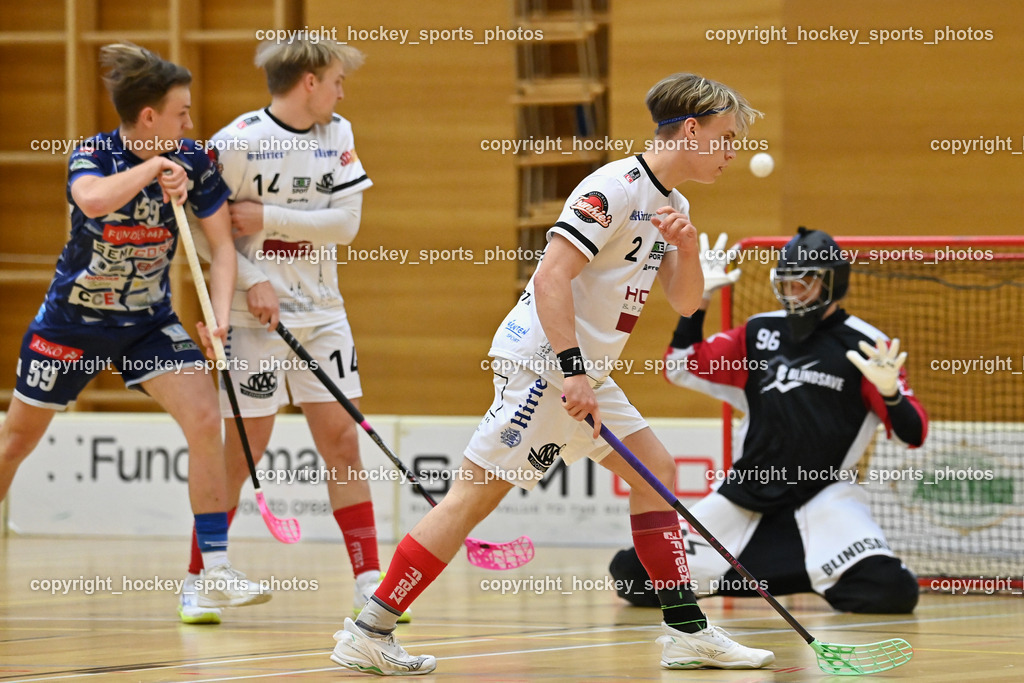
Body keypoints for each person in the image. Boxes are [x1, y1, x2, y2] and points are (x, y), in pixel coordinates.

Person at [330, 73, 775, 675]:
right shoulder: (612, 188)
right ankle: (370, 629)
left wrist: (688, 249)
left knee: (657, 472)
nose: (731, 152)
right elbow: (549, 277)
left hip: (583, 370)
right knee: (470, 499)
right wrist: (571, 372)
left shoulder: (676, 206)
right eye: (725, 137)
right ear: (691, 129)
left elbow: (687, 303)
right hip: (548, 364)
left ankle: (687, 632)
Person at [0, 43, 268, 610]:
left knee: (203, 417)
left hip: (148, 323)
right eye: (183, 113)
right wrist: (152, 169)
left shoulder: (193, 160)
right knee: (13, 444)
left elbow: (222, 250)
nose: (192, 123)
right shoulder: (94, 155)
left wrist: (219, 320)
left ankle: (213, 568)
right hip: (72, 323)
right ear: (150, 118)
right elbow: (92, 202)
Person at [177, 38, 404, 625]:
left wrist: (270, 216)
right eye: (335, 80)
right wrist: (251, 277)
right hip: (254, 321)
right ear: (308, 81)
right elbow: (207, 231)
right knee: (242, 453)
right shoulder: (235, 143)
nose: (340, 91)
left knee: (342, 444)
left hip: (324, 313)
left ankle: (369, 581)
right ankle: (200, 580)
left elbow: (346, 225)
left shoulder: (339, 134)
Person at [609, 227, 926, 614]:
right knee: (633, 576)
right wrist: (698, 300)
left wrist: (891, 394)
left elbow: (914, 434)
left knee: (892, 591)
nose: (794, 294)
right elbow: (680, 366)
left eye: (805, 285)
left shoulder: (867, 345)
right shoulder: (760, 331)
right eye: (788, 285)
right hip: (745, 497)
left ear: (832, 283)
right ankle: (793, 577)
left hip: (823, 498)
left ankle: (769, 576)